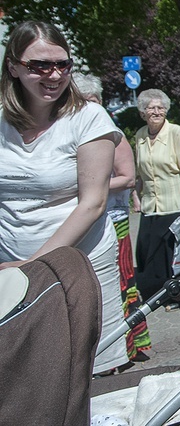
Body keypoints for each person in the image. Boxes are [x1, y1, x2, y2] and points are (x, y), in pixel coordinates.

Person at [0, 20, 128, 375]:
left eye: (62, 64)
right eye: (40, 65)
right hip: (10, 265)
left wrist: (33, 266)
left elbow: (93, 203)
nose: (54, 75)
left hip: (79, 264)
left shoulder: (88, 117)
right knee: (28, 374)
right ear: (13, 66)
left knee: (88, 374)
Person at [74, 73, 152, 361]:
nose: (86, 108)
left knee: (120, 284)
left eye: (90, 101)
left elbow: (129, 178)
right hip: (83, 222)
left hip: (113, 218)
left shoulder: (109, 132)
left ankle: (125, 347)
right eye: (80, 102)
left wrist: (90, 187)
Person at [131, 89, 180, 303]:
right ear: (143, 112)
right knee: (147, 251)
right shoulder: (140, 135)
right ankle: (154, 296)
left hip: (174, 204)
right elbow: (139, 173)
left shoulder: (175, 133)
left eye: (161, 107)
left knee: (170, 255)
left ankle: (176, 295)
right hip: (150, 205)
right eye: (151, 108)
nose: (157, 112)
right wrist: (136, 196)